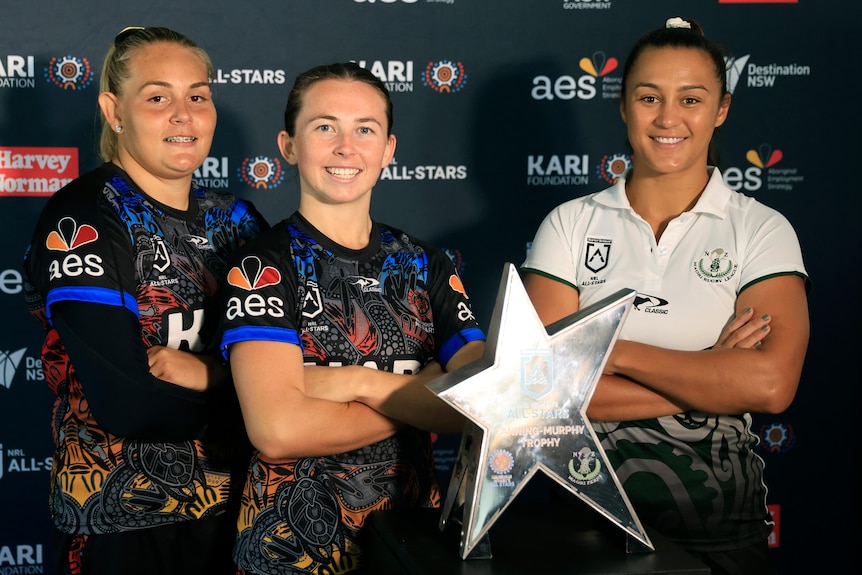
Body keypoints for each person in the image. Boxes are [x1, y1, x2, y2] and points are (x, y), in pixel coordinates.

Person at [520, 17, 809, 575]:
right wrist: (711, 376)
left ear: (721, 109)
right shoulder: (571, 224)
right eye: (649, 97)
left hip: (718, 531)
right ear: (624, 106)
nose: (668, 118)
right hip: (584, 525)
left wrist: (607, 348)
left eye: (691, 99)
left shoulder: (761, 229)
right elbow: (542, 390)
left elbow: (770, 385)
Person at [219, 62, 486, 574]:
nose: (346, 147)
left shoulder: (426, 263)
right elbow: (278, 429)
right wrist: (417, 392)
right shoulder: (263, 266)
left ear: (388, 149)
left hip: (412, 540)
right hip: (291, 551)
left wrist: (344, 384)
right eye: (325, 127)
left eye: (365, 129)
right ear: (288, 146)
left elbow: (476, 401)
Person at [22, 26, 267, 575]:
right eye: (158, 98)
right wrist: (269, 401)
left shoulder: (238, 219)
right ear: (114, 110)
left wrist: (210, 373)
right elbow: (127, 401)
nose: (184, 115)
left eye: (197, 96)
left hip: (244, 513)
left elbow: (306, 357)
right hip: (126, 518)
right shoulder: (86, 216)